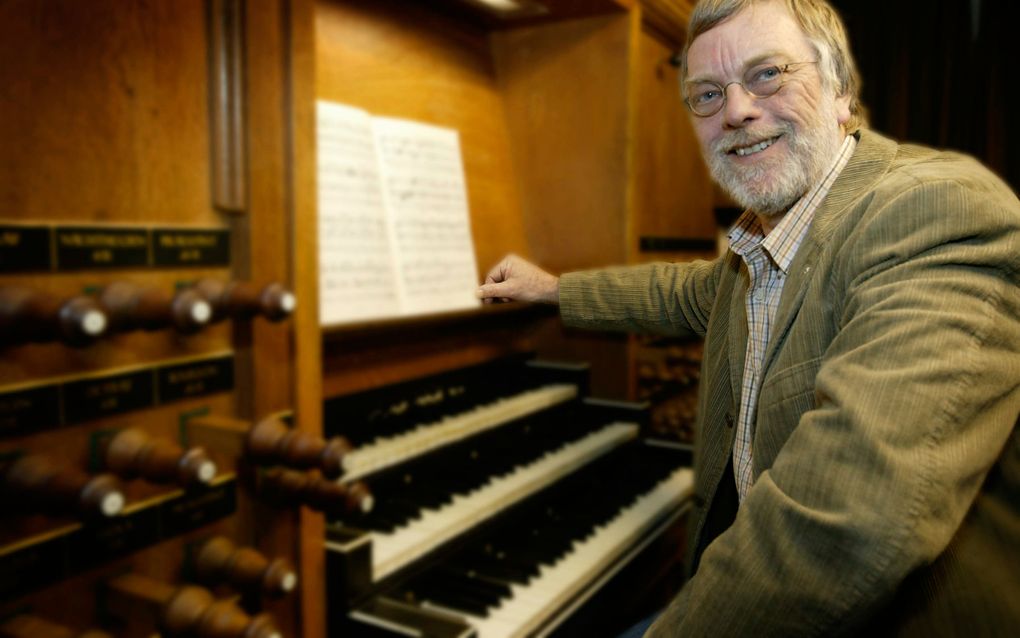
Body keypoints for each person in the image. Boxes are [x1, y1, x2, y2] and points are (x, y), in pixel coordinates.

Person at [476, 0, 1020, 635]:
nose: (735, 110)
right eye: (707, 94)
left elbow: (846, 525)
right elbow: (676, 291)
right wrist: (552, 289)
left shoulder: (934, 212)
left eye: (768, 74)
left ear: (840, 90)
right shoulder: (759, 248)